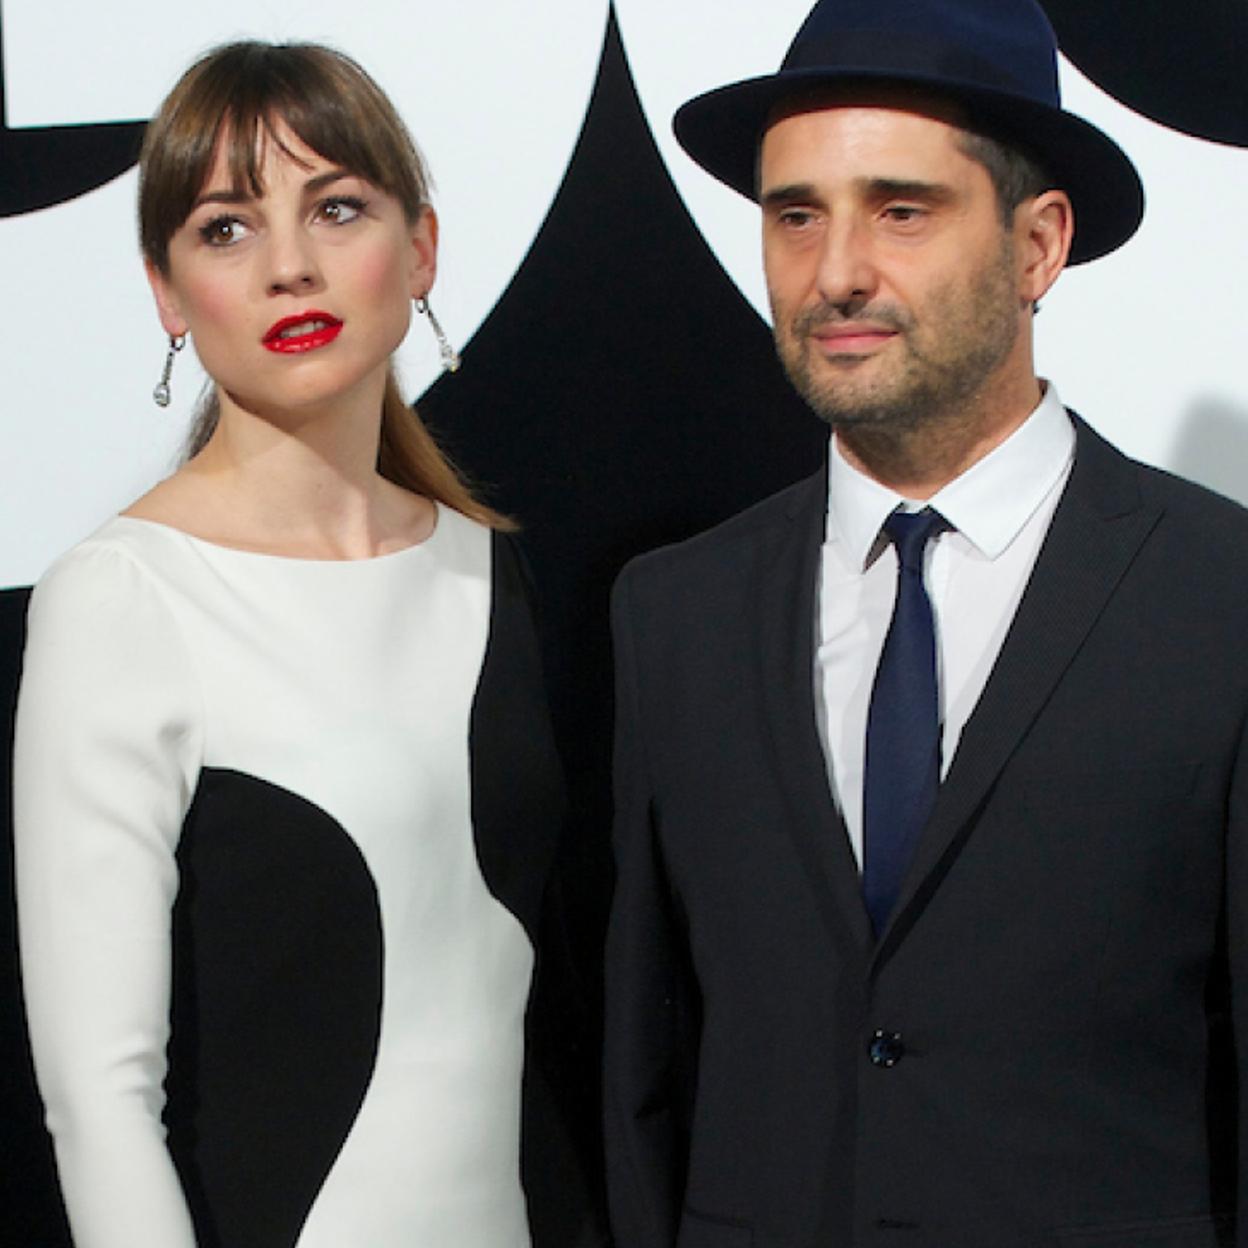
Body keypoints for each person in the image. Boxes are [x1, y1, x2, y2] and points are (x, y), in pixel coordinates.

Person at [604, 1, 1248, 1245]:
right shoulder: (672, 613)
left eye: (901, 209)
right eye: (796, 215)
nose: (836, 270)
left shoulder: (1220, 598)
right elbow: (645, 1063)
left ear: (1038, 245)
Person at [14, 41, 570, 1248]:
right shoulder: (119, 602)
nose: (290, 266)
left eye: (336, 207)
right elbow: (101, 1104)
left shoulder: (491, 573)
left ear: (419, 248)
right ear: (165, 291)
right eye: (225, 227)